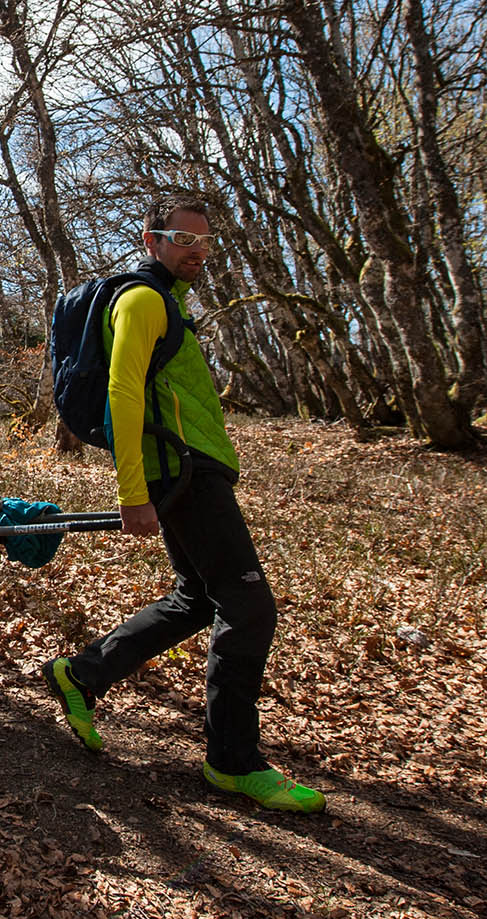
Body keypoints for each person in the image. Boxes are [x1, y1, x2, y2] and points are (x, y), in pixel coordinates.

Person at [43, 196, 326, 813]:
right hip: (183, 473)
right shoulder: (143, 300)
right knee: (248, 606)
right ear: (152, 241)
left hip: (190, 469)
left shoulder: (169, 303)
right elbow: (121, 391)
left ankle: (82, 675)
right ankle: (233, 762)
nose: (196, 250)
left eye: (204, 241)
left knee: (200, 597)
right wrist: (132, 492)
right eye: (181, 238)